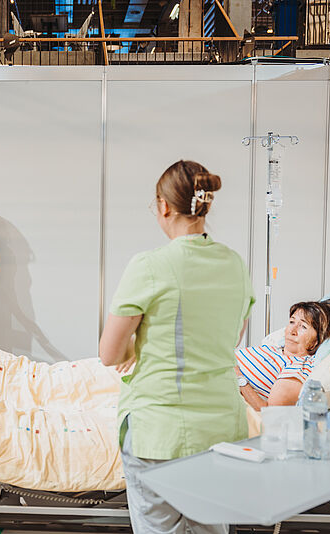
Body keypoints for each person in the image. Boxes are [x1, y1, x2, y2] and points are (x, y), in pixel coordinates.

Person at [99, 160, 255, 534]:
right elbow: (231, 337)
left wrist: (134, 346)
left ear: (164, 206)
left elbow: (109, 354)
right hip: (221, 430)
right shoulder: (235, 264)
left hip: (159, 432)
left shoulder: (150, 265)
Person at [235, 298, 330, 409]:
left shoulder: (298, 368)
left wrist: (239, 379)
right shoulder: (273, 348)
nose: (292, 331)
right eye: (292, 322)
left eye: (303, 326)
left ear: (315, 342)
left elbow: (268, 412)